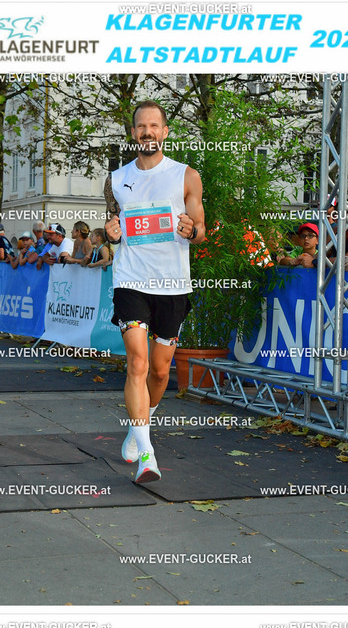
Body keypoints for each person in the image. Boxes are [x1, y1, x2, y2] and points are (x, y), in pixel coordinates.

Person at [104, 100, 205, 484]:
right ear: (133, 133)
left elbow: (201, 229)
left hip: (172, 284)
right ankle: (147, 455)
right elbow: (113, 227)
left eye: (154, 126)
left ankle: (139, 425)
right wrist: (112, 234)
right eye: (141, 126)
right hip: (130, 280)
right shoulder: (115, 179)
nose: (148, 132)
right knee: (138, 363)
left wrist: (191, 230)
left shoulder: (186, 176)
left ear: (164, 132)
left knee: (161, 372)